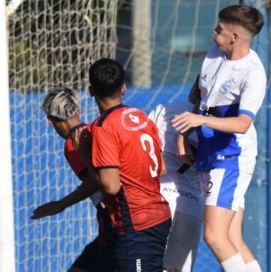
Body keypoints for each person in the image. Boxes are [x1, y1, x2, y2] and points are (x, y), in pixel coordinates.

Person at [171, 4, 267, 272]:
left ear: (234, 37)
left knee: (214, 235)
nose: (213, 32)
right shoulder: (215, 53)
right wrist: (183, 138)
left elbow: (243, 123)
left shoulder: (253, 73)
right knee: (232, 237)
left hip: (232, 155)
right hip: (209, 150)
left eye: (219, 29)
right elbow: (199, 99)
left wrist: (201, 120)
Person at [87, 58, 172, 272]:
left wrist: (83, 155)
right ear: (123, 88)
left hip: (137, 224)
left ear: (91, 90)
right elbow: (161, 168)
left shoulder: (103, 127)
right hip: (159, 215)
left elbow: (111, 186)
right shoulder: (141, 117)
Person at [30, 87, 112, 272]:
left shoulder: (71, 144)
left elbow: (95, 181)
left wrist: (60, 205)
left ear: (50, 121)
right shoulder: (94, 130)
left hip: (115, 222)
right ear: (78, 111)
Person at [147, 82, 204, 272]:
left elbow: (144, 151)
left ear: (195, 89)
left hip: (158, 199)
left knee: (144, 265)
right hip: (191, 206)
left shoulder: (165, 110)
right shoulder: (217, 124)